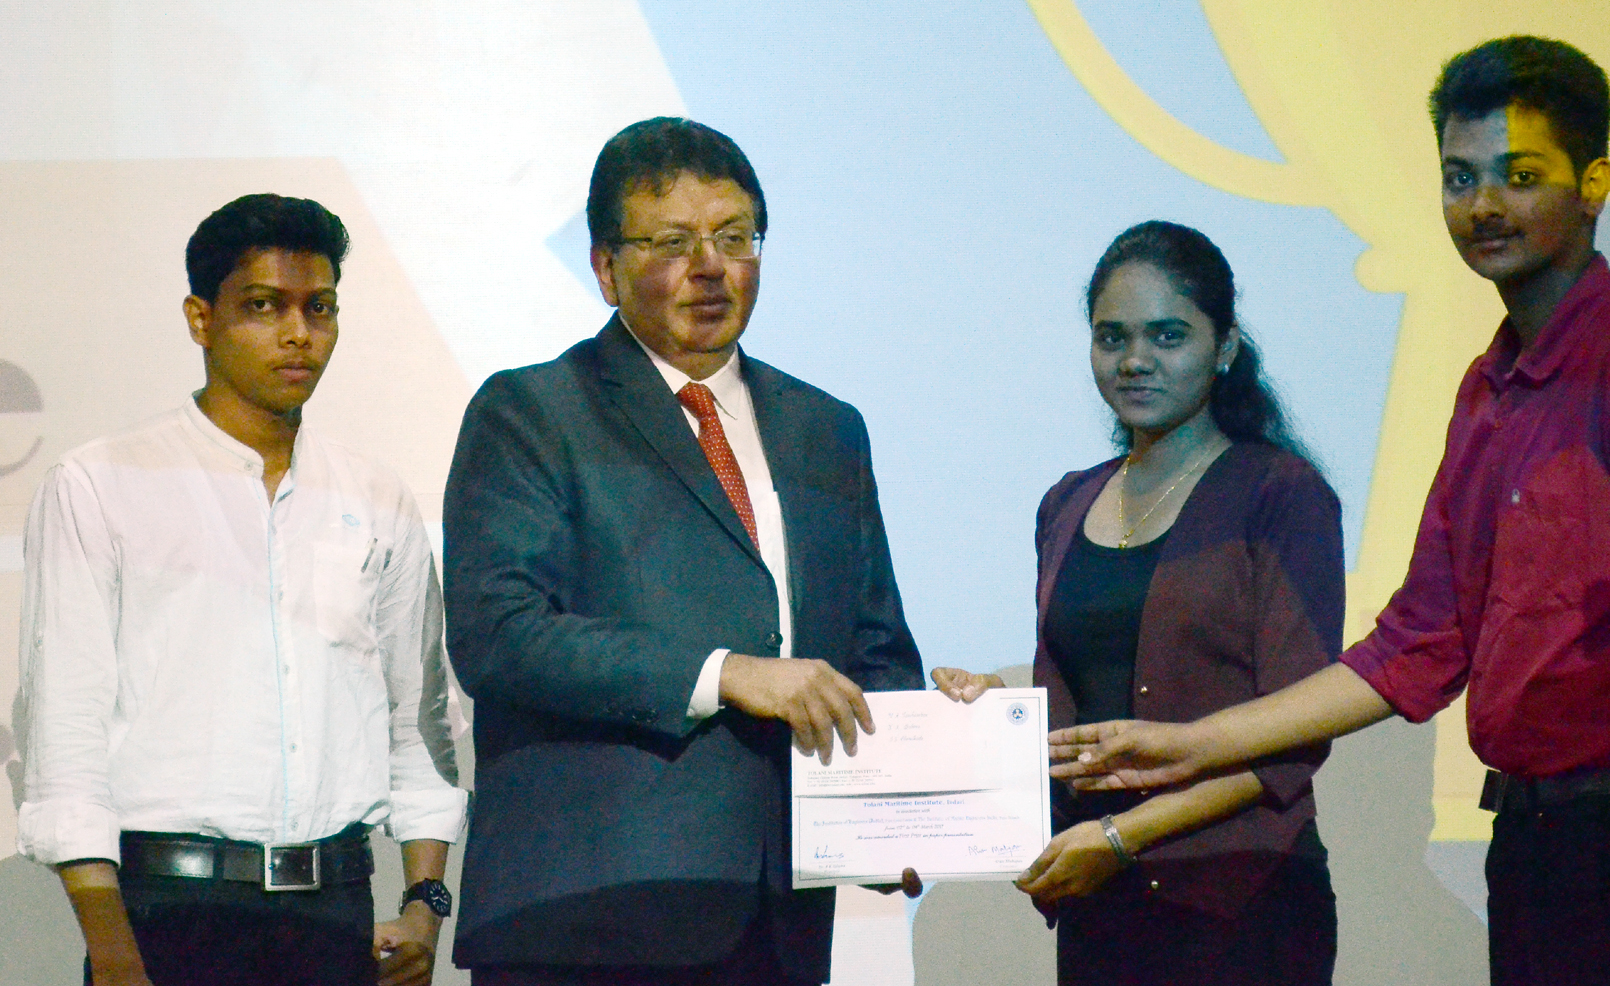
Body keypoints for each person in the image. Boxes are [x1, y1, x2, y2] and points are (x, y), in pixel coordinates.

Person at [1049, 37, 1610, 986]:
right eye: (1459, 177)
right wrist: (1190, 743)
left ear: (1594, 184)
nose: (1483, 204)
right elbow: (1417, 644)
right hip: (1534, 844)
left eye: (1520, 176)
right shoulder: (1489, 391)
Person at [441, 117, 925, 985]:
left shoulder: (827, 428)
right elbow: (499, 634)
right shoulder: (532, 412)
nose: (711, 267)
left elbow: (874, 649)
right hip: (587, 919)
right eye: (673, 243)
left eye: (735, 238)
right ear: (605, 268)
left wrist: (911, 800)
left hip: (776, 922)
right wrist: (724, 673)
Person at [16, 194, 466, 986]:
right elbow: (65, 730)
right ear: (201, 319)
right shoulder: (102, 483)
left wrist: (424, 904)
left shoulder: (376, 497)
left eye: (319, 307)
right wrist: (112, 948)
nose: (298, 333)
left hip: (336, 910)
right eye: (263, 306)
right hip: (168, 914)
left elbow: (418, 722)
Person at [933, 220, 1345, 985]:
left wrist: (1124, 837)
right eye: (1111, 337)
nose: (1134, 360)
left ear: (1224, 347)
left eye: (1167, 336)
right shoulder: (1066, 503)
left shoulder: (1280, 493)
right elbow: (1090, 698)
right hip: (1099, 896)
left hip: (1241, 901)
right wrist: (998, 714)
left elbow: (1299, 731)